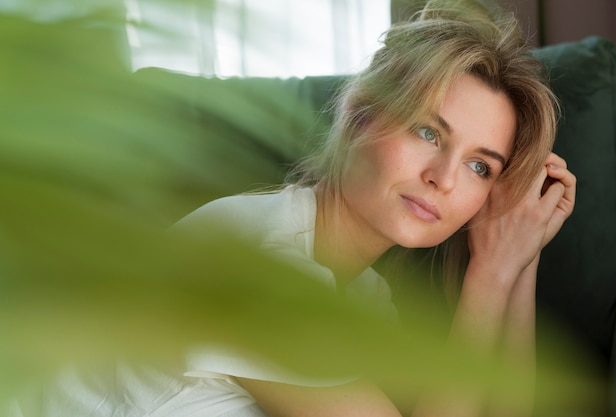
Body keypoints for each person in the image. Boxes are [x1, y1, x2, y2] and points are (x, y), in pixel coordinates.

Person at [33, 1, 574, 417]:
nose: (444, 178)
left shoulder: (363, 294)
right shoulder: (257, 265)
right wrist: (489, 274)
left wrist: (516, 258)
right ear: (361, 117)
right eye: (427, 131)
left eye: (481, 166)